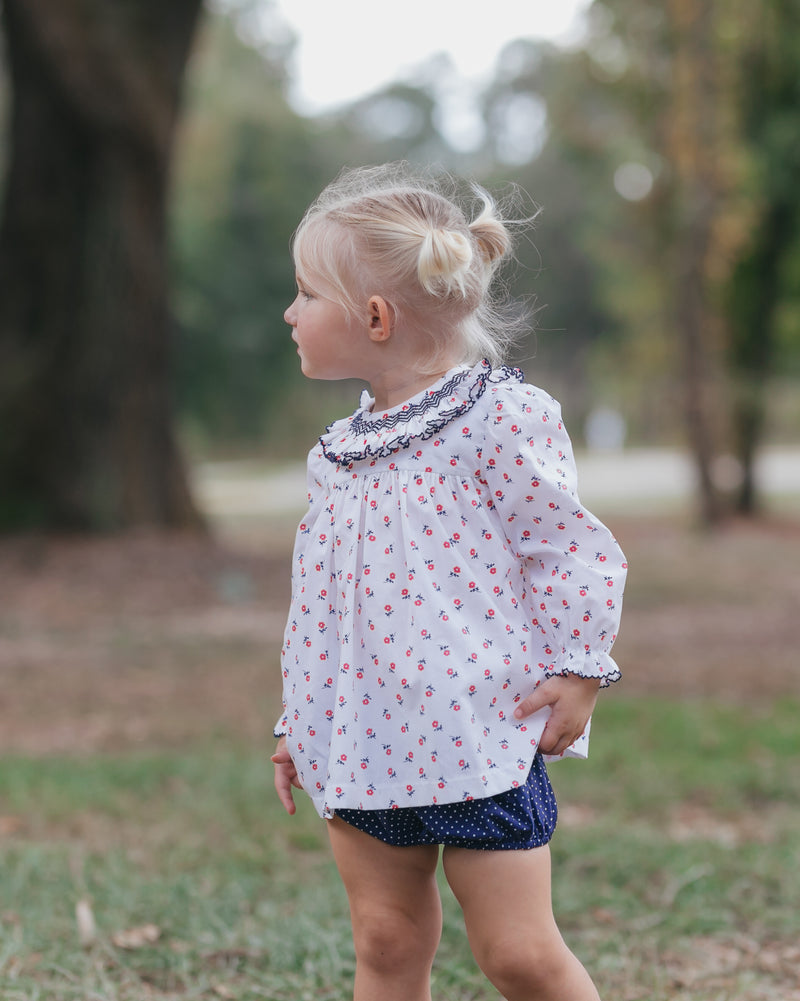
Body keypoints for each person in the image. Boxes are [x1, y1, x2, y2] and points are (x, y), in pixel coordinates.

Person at [272, 163, 627, 1001]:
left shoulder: (497, 418)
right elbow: (324, 606)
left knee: (518, 954)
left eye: (304, 294)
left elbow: (569, 548)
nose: (290, 313)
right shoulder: (337, 456)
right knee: (386, 942)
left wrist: (580, 667)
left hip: (477, 737)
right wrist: (300, 717)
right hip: (362, 743)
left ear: (375, 316)